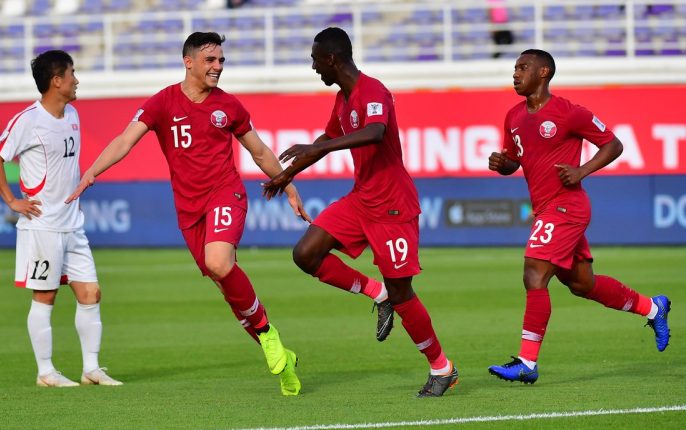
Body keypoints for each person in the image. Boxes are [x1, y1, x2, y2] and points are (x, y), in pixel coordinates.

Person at [65, 32, 307, 396]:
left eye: (221, 60)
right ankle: (282, 358)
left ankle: (268, 334)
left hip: (225, 194)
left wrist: (287, 185)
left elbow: (258, 151)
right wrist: (92, 172)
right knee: (226, 286)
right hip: (189, 210)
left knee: (219, 262)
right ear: (188, 62)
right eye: (210, 60)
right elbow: (125, 140)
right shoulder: (163, 102)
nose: (218, 67)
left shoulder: (229, 106)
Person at [262, 27, 458, 397]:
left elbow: (375, 132)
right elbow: (324, 140)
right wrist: (287, 174)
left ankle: (441, 367)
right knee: (306, 254)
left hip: (393, 205)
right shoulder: (343, 99)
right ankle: (376, 292)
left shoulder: (373, 91)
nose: (314, 67)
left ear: (332, 59)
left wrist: (322, 147)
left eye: (316, 60)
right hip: (361, 199)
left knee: (403, 292)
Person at [487, 49, 671, 384]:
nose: (515, 73)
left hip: (566, 206)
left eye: (523, 67)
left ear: (543, 72)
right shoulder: (513, 116)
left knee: (534, 274)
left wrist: (581, 170)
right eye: (515, 68)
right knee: (582, 284)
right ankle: (653, 308)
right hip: (546, 208)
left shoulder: (569, 112)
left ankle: (527, 363)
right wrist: (503, 165)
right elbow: (513, 160)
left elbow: (613, 144)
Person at [0, 50, 122, 387]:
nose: (77, 80)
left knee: (91, 293)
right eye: (72, 74)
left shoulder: (72, 113)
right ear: (56, 80)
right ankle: (45, 372)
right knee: (45, 297)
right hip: (42, 225)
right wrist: (12, 201)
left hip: (72, 223)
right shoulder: (28, 120)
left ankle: (91, 369)